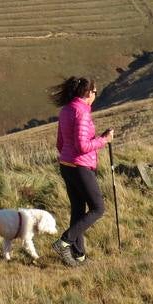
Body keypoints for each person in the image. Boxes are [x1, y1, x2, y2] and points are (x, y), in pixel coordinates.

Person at [48, 76, 113, 267]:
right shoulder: (82, 112)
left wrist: (72, 155)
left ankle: (79, 256)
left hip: (66, 165)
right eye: (94, 92)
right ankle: (64, 242)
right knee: (98, 208)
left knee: (78, 210)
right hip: (80, 166)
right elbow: (83, 146)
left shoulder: (66, 110)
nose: (95, 95)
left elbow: (60, 143)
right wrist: (104, 140)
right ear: (87, 93)